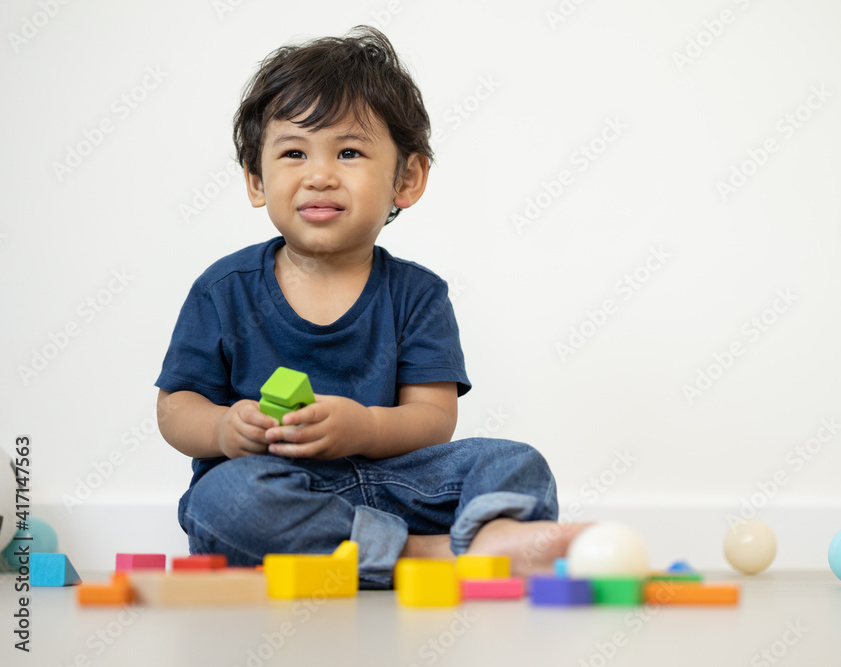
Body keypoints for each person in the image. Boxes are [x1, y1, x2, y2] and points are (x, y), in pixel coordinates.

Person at [155, 26, 585, 588]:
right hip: (280, 486)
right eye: (293, 153)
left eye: (350, 151)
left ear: (406, 178)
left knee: (513, 460)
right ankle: (434, 556)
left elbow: (434, 420)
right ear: (256, 179)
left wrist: (362, 428)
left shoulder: (418, 294)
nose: (319, 174)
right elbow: (175, 406)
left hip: (396, 483)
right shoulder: (224, 288)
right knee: (225, 501)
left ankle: (470, 537)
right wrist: (223, 430)